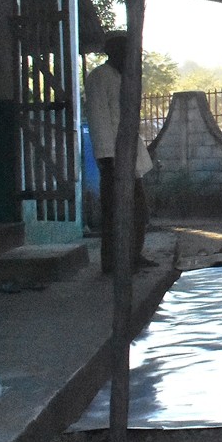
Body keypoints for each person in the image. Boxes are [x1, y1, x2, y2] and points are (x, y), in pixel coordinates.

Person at [85, 31, 155, 273]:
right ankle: (113, 262)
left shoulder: (124, 77)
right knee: (115, 213)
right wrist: (107, 157)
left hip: (128, 156)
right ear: (113, 51)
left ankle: (132, 256)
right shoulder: (98, 78)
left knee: (139, 211)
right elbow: (98, 118)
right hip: (112, 157)